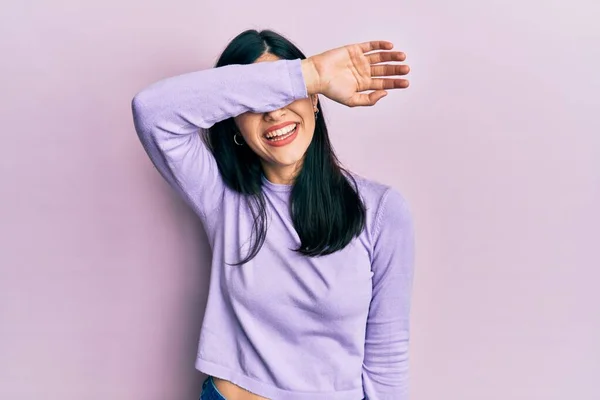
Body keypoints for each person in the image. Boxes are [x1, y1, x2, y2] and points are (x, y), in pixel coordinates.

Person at [131, 29, 415, 400]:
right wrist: (307, 74)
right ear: (232, 117)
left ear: (315, 102)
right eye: (257, 98)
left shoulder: (381, 210)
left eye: (287, 95)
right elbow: (151, 111)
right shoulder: (220, 194)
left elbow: (387, 356)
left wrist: (304, 82)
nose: (275, 111)